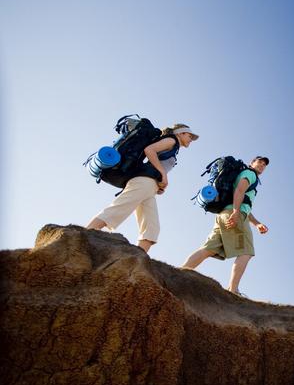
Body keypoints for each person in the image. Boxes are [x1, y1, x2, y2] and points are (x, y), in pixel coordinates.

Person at [86, 123, 199, 252]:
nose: (191, 139)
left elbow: (156, 162)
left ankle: (138, 258)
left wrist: (159, 183)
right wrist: (162, 173)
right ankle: (83, 235)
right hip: (143, 182)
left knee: (151, 227)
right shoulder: (171, 140)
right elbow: (149, 150)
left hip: (149, 186)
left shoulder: (174, 147)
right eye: (190, 136)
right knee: (118, 209)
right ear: (181, 133)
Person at [181, 156, 270, 296]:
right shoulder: (250, 174)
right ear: (251, 163)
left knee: (208, 249)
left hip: (224, 214)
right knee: (246, 252)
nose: (262, 165)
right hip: (234, 214)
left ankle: (179, 273)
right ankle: (233, 291)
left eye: (264, 165)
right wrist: (235, 212)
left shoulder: (247, 175)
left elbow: (245, 203)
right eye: (259, 162)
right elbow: (239, 191)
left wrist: (257, 223)